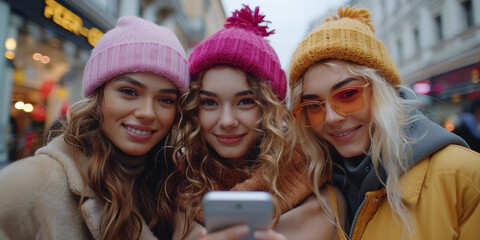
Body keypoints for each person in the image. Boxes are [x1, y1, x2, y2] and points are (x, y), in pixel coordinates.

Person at [288, 5, 480, 240]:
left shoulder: (464, 175)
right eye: (313, 106)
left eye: (348, 94)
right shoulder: (312, 190)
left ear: (383, 92)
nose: (331, 118)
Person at [0, 16, 189, 240]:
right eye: (129, 92)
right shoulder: (29, 185)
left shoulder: (180, 191)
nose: (147, 112)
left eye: (165, 100)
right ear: (98, 96)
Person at [171, 5, 344, 240]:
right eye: (210, 103)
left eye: (245, 102)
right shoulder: (172, 184)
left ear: (269, 107)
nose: (227, 121)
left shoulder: (317, 181)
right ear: (193, 108)